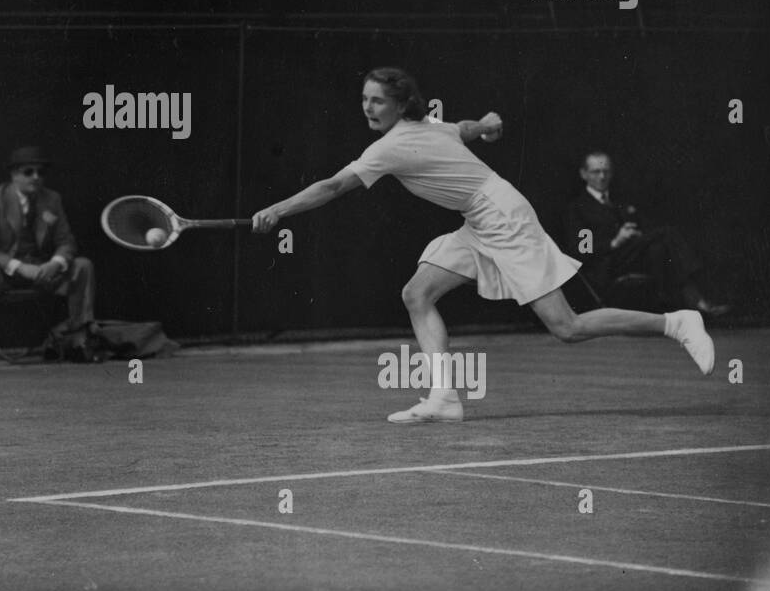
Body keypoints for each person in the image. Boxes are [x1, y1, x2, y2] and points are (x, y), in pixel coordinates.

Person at [249, 67, 715, 423]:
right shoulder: (428, 125)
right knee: (417, 294)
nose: (368, 109)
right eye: (364, 100)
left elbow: (332, 187)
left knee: (567, 328)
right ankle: (444, 398)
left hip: (503, 217)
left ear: (399, 105)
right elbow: (465, 128)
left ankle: (675, 322)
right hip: (479, 218)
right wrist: (488, 124)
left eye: (377, 101)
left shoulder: (387, 148)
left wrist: (278, 211)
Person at [0, 147, 96, 370]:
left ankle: (80, 343)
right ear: (14, 175)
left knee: (83, 265)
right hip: (4, 273)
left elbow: (67, 242)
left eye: (40, 173)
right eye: (28, 172)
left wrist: (55, 263)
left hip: (42, 271)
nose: (36, 177)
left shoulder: (52, 199)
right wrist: (19, 267)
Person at [563, 151, 728, 316]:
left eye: (606, 171)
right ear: (583, 174)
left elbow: (645, 228)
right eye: (596, 172)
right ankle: (697, 299)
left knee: (658, 248)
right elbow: (583, 251)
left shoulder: (620, 201)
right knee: (667, 234)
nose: (602, 176)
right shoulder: (580, 208)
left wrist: (636, 234)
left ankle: (675, 306)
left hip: (635, 257)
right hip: (607, 264)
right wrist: (615, 242)